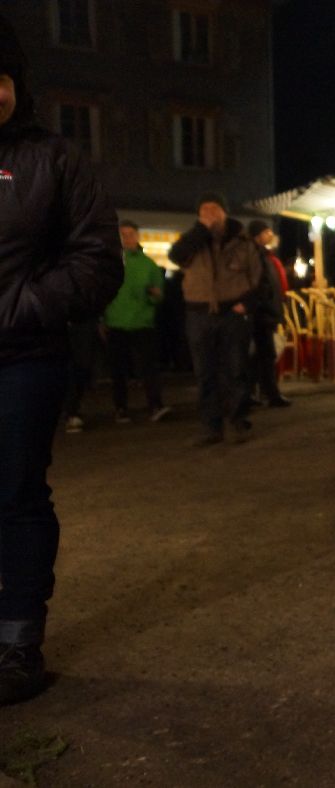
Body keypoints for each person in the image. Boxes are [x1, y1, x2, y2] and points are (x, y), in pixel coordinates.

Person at [0, 10, 123, 704]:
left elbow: (97, 261)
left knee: (16, 492)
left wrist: (20, 306)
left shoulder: (53, 158)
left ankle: (18, 642)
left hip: (24, 356)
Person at [168, 193, 264, 446]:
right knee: (205, 372)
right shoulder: (192, 240)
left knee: (236, 368)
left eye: (214, 209)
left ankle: (238, 420)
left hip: (233, 312)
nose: (209, 215)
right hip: (199, 313)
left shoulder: (243, 242)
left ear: (225, 212)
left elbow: (258, 277)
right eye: (204, 210)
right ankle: (211, 426)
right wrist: (200, 231)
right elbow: (175, 255)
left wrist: (248, 303)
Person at [105, 220, 171, 423]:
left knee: (149, 368)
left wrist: (154, 295)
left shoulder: (148, 264)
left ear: (137, 236)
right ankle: (121, 408)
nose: (127, 238)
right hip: (115, 322)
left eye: (131, 234)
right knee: (118, 370)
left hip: (143, 322)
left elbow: (159, 293)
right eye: (123, 235)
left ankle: (155, 405)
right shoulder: (109, 263)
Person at [245, 219, 291, 408]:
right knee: (263, 354)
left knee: (262, 354)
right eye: (266, 232)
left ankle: (260, 392)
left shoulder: (264, 255)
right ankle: (268, 393)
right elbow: (261, 285)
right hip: (260, 312)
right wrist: (267, 305)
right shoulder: (255, 255)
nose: (270, 235)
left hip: (265, 311)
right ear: (258, 235)